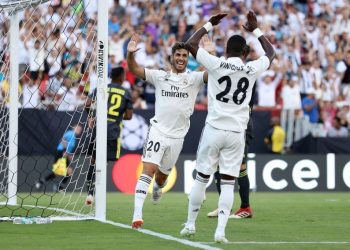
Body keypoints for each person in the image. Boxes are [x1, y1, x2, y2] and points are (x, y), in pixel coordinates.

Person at [180, 11, 275, 243]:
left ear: (226, 51)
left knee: (202, 178)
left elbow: (190, 43)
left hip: (214, 128)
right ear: (245, 53)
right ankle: (220, 231)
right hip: (236, 133)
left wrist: (209, 25)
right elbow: (271, 53)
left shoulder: (215, 63)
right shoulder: (252, 69)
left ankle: (191, 225)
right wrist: (255, 30)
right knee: (229, 183)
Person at [127, 34, 208, 229]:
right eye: (178, 55)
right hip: (157, 130)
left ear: (188, 59)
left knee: (162, 177)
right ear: (171, 57)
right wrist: (130, 55)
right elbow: (135, 69)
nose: (181, 58)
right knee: (149, 169)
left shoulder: (194, 78)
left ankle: (158, 187)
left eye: (184, 56)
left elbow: (213, 72)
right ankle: (137, 215)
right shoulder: (160, 76)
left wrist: (209, 53)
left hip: (177, 137)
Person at [84, 66, 133, 205]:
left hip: (98, 129)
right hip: (112, 131)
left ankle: (90, 194)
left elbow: (87, 104)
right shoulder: (125, 92)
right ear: (122, 77)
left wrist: (93, 116)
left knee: (93, 161)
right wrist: (117, 114)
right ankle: (98, 192)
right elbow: (129, 116)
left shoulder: (102, 88)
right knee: (103, 162)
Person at [207, 85, 256, 219]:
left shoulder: (245, 78)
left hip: (241, 126)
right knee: (218, 167)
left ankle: (245, 207)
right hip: (224, 125)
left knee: (240, 167)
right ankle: (224, 207)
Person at [35, 124, 82, 191]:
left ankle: (58, 187)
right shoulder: (70, 133)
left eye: (80, 129)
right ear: (74, 128)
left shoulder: (74, 137)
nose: (79, 130)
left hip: (64, 154)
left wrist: (68, 154)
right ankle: (42, 182)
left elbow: (69, 147)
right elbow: (63, 140)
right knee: (59, 172)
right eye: (78, 128)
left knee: (67, 171)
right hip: (60, 153)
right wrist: (64, 151)